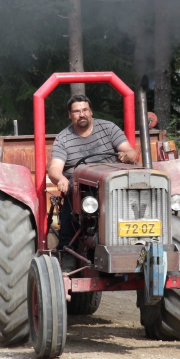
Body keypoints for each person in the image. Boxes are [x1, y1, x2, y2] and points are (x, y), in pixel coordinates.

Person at [48, 94, 138, 262]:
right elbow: (54, 168)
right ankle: (68, 250)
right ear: (70, 115)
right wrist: (60, 179)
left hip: (114, 180)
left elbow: (130, 151)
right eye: (76, 111)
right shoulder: (64, 138)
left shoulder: (108, 128)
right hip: (83, 187)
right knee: (71, 193)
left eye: (85, 110)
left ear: (91, 111)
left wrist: (128, 156)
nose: (82, 114)